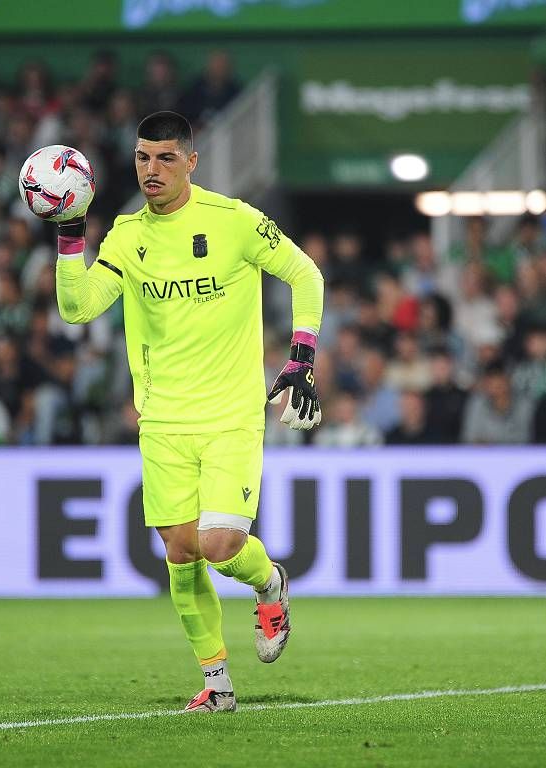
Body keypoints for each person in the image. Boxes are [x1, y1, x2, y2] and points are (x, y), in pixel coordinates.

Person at [52, 111, 323, 712]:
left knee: (220, 543)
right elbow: (78, 308)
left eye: (166, 158)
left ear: (191, 162)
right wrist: (72, 237)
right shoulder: (125, 235)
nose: (152, 170)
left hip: (230, 412)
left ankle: (269, 580)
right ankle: (218, 683)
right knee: (180, 552)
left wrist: (302, 355)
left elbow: (304, 273)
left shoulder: (235, 221)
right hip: (163, 418)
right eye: (144, 158)